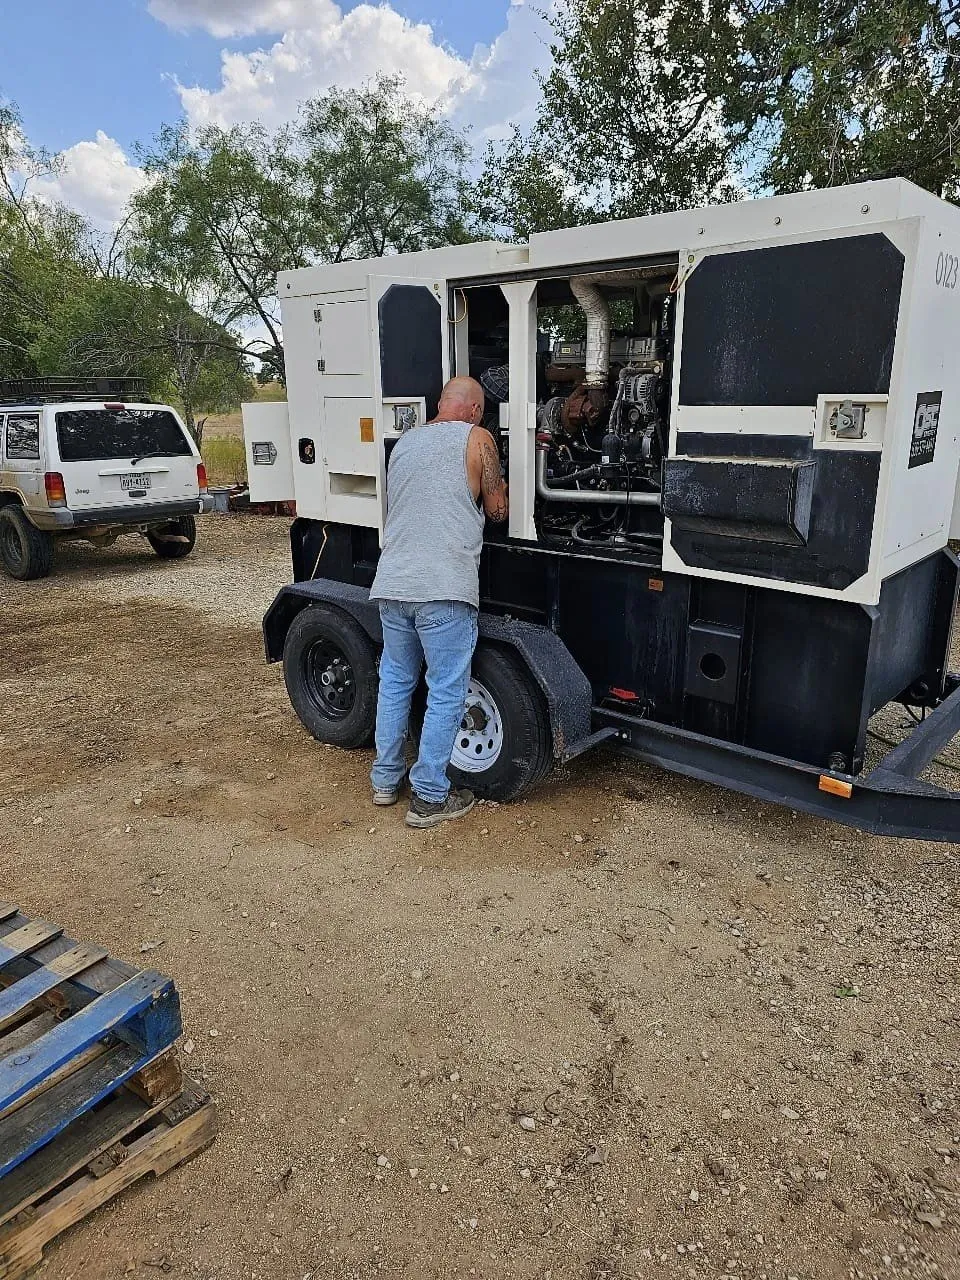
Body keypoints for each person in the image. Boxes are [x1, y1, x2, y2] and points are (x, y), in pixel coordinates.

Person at [369, 376, 509, 828]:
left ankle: (385, 781)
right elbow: (498, 511)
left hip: (393, 584)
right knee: (446, 690)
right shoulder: (479, 439)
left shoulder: (404, 443)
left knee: (395, 681)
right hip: (443, 588)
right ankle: (430, 796)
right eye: (481, 410)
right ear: (473, 410)